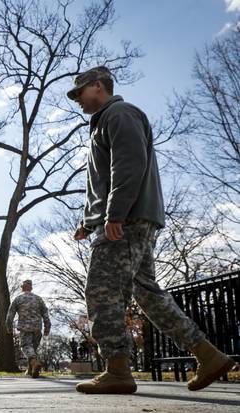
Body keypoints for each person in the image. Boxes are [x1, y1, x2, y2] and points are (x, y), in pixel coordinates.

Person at [68, 66, 235, 394]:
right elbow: (105, 179)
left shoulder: (119, 113)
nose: (77, 100)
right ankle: (208, 355)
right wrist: (89, 222)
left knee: (102, 291)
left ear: (98, 86)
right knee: (147, 293)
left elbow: (129, 164)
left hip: (124, 221)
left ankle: (117, 370)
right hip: (129, 219)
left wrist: (114, 215)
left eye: (80, 93)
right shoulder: (108, 120)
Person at [6, 279, 50, 378]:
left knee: (26, 347)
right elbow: (45, 314)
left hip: (25, 328)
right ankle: (31, 370)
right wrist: (47, 327)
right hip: (37, 328)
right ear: (31, 288)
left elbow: (10, 315)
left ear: (22, 287)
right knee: (32, 349)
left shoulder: (18, 299)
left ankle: (34, 363)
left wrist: (9, 327)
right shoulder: (38, 299)